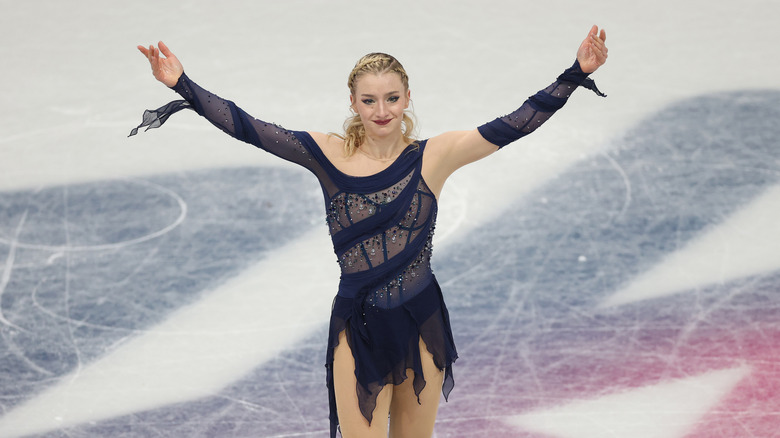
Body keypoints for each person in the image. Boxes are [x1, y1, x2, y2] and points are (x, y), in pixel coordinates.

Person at [132, 25, 608, 438]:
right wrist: (183, 85)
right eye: (369, 100)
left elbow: (513, 124)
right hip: (357, 329)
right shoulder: (326, 154)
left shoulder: (434, 156)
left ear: (407, 99)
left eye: (392, 98)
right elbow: (247, 126)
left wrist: (576, 73)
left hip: (421, 321)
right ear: (353, 103)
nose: (382, 110)